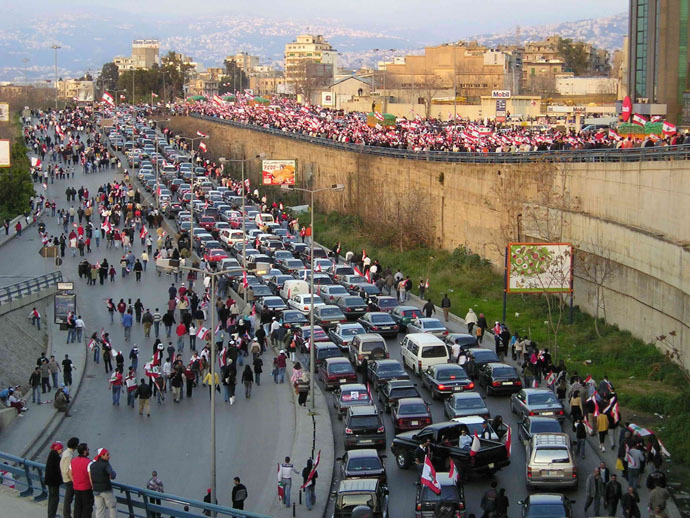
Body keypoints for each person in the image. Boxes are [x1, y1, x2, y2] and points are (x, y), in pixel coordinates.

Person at [89, 447, 117, 518]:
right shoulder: (106, 464)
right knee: (112, 507)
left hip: (96, 490)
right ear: (102, 455)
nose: (109, 456)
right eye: (107, 455)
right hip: (106, 489)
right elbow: (113, 475)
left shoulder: (92, 465)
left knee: (99, 509)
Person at [71, 443, 93, 518]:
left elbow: (69, 473)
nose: (88, 450)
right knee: (87, 507)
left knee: (78, 506)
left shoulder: (73, 461)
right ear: (84, 451)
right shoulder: (89, 462)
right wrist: (93, 487)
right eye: (87, 449)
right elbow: (90, 477)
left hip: (76, 487)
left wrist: (74, 482)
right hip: (86, 488)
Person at [61, 437, 79, 518]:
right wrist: (73, 480)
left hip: (66, 479)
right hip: (69, 480)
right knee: (69, 499)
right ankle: (67, 515)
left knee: (68, 498)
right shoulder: (69, 455)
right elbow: (67, 469)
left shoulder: (66, 452)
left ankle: (67, 514)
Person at [45, 441, 64, 518]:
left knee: (51, 497)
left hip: (49, 480)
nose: (62, 451)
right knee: (55, 498)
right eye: (61, 449)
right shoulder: (57, 458)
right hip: (54, 481)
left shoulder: (51, 455)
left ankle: (50, 514)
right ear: (58, 449)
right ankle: (52, 515)